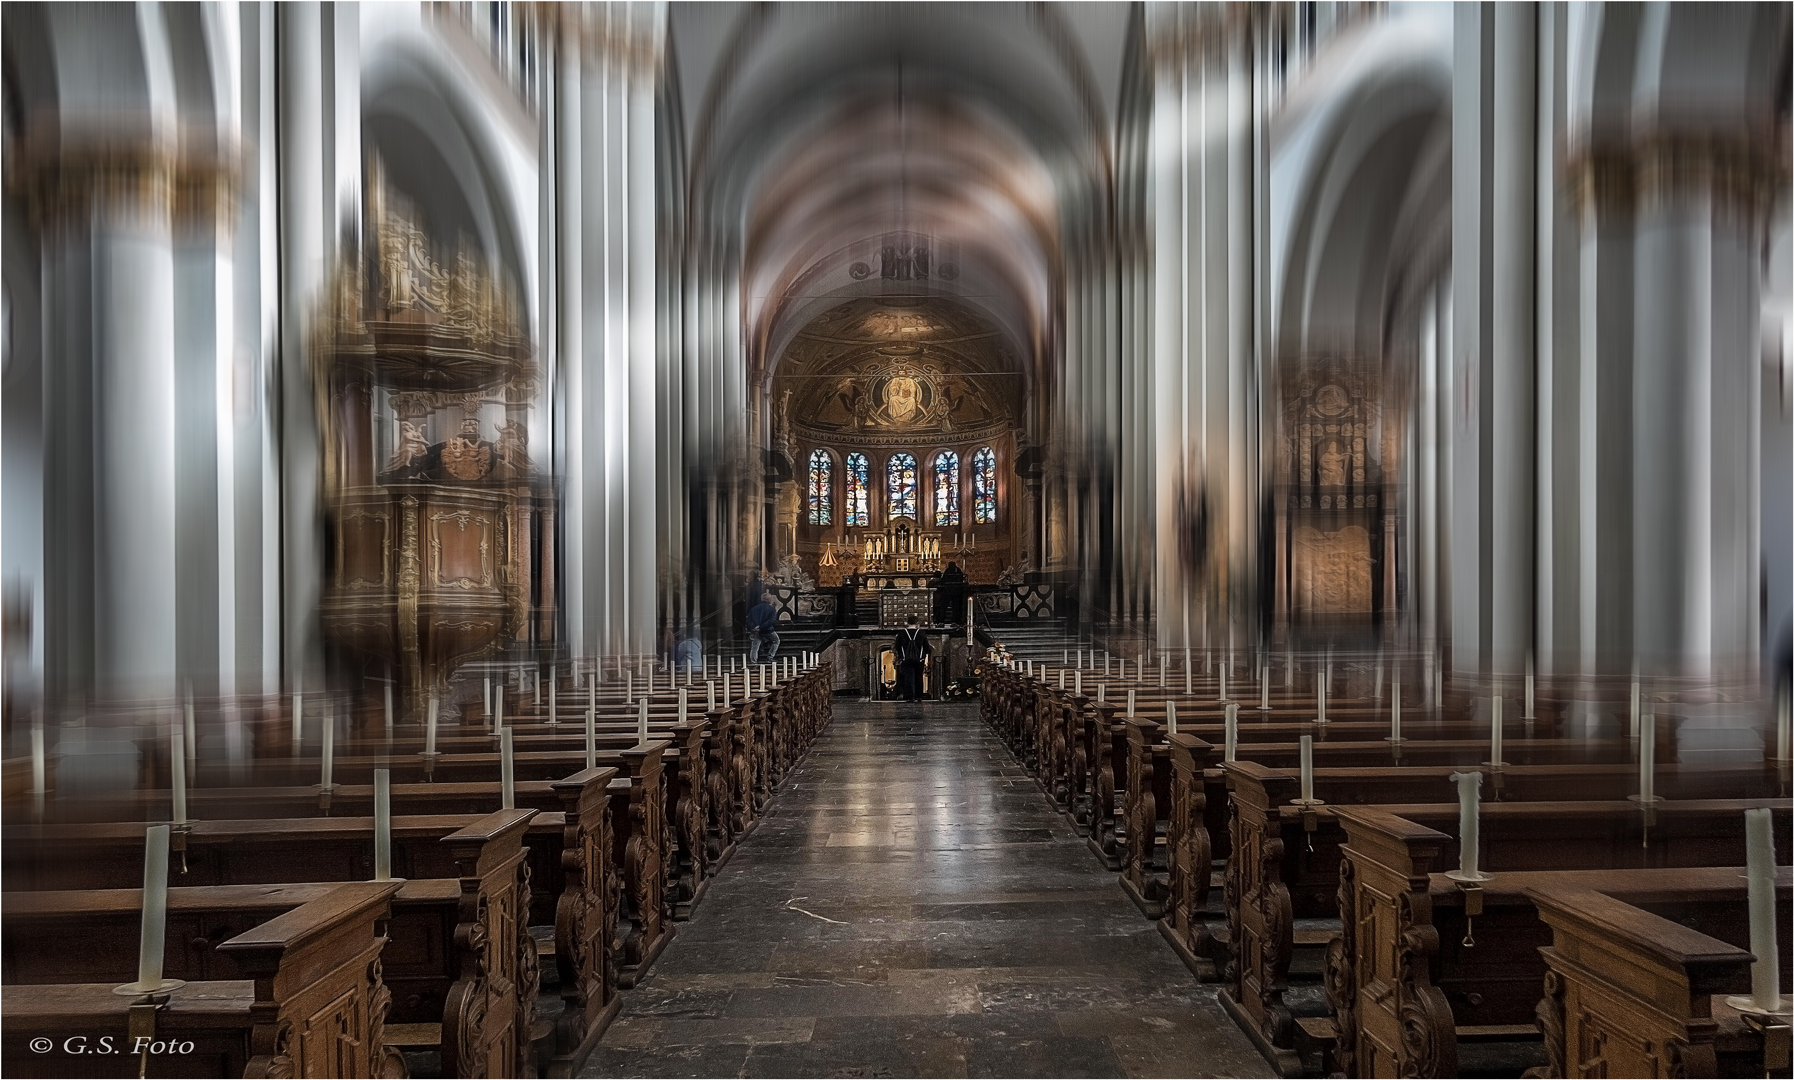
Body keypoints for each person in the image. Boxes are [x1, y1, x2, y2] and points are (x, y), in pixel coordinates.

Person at [894, 615, 932, 702]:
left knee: (908, 677)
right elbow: (926, 646)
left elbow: (897, 646)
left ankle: (910, 697)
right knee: (919, 676)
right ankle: (919, 696)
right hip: (919, 659)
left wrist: (901, 656)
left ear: (907, 623)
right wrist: (924, 655)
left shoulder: (902, 633)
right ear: (917, 623)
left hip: (906, 659)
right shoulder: (921, 633)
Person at [747, 591, 780, 663]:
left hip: (756, 631)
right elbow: (772, 620)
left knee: (755, 646)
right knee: (776, 641)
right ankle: (770, 657)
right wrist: (762, 627)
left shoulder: (754, 609)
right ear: (769, 600)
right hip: (768, 630)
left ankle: (753, 661)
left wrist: (754, 626)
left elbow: (748, 619)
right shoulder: (771, 609)